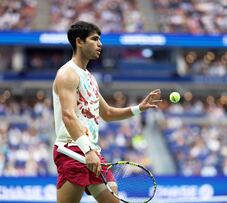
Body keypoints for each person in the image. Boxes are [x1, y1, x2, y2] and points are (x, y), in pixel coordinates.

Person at [52, 21, 162, 203]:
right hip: (72, 150)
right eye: (94, 39)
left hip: (92, 152)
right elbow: (68, 116)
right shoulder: (67, 74)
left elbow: (108, 113)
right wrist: (87, 151)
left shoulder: (89, 78)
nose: (100, 44)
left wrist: (138, 108)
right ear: (79, 42)